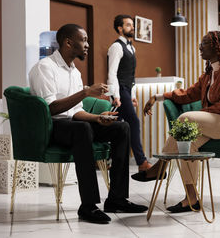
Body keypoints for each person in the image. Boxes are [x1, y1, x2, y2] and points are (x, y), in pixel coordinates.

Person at [29, 24, 147, 224]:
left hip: (73, 124)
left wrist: (98, 118)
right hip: (52, 128)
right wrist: (85, 92)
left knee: (121, 127)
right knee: (82, 129)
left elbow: (76, 112)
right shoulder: (44, 68)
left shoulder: (74, 72)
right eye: (83, 40)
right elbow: (50, 109)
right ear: (68, 42)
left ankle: (117, 199)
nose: (87, 45)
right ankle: (88, 206)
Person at [136, 31, 220, 213]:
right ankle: (191, 199)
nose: (200, 47)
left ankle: (160, 167)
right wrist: (158, 96)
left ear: (218, 47)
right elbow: (188, 94)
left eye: (205, 43)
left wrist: (198, 115)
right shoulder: (209, 73)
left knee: (186, 119)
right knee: (187, 144)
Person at [107, 15, 151, 174]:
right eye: (128, 25)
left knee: (117, 126)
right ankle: (142, 162)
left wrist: (132, 95)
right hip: (119, 90)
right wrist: (115, 95)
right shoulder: (116, 47)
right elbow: (112, 73)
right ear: (120, 28)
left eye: (132, 25)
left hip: (127, 89)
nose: (132, 27)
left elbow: (130, 75)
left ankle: (111, 160)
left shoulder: (132, 48)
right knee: (133, 121)